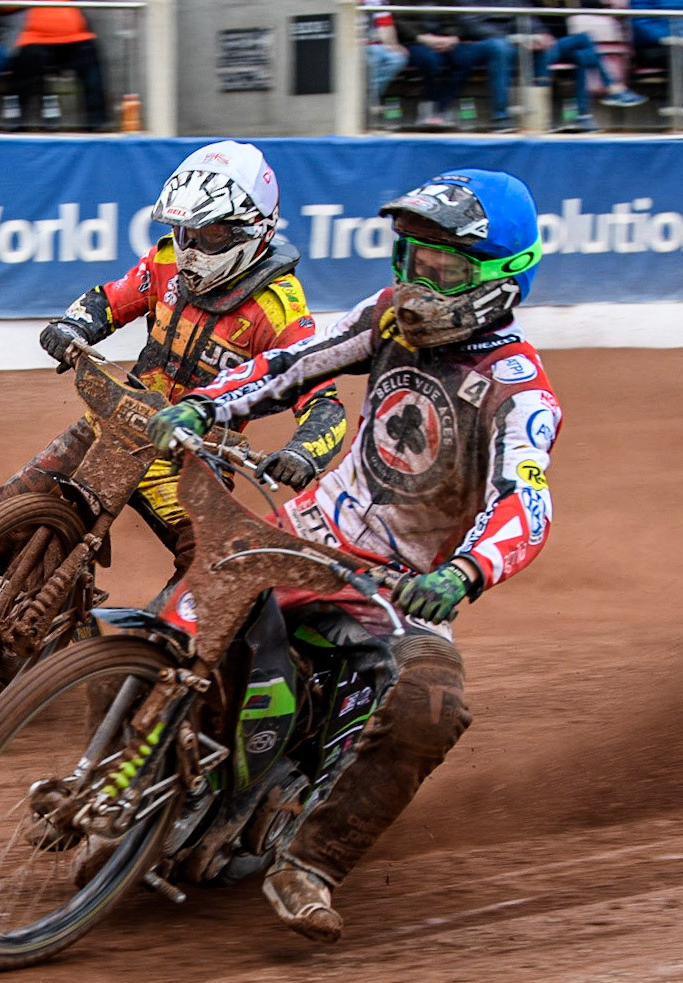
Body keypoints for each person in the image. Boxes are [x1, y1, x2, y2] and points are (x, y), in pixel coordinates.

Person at [144, 168, 557, 943]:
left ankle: (311, 862)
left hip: (401, 586)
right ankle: (129, 781)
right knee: (167, 625)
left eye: (441, 268)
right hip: (305, 531)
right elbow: (291, 363)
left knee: (433, 705)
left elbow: (524, 502)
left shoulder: (517, 391)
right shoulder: (388, 322)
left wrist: (462, 572)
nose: (414, 282)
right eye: (407, 258)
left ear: (502, 279)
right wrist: (206, 403)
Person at [0, 141, 348, 671]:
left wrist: (303, 453)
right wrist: (73, 325)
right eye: (185, 232)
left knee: (209, 566)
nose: (191, 248)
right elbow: (111, 297)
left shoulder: (281, 310)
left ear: (253, 230)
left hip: (188, 461)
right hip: (114, 425)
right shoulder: (166, 262)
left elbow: (324, 403)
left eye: (210, 234)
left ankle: (144, 671)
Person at [393, 0, 516, 131]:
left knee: (463, 59)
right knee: (430, 60)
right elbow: (399, 20)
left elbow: (458, 18)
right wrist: (422, 38)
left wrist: (453, 37)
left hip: (448, 41)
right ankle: (431, 106)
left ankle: (443, 107)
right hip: (414, 42)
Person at [2, 6, 106, 131]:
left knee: (89, 58)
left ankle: (96, 124)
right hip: (35, 38)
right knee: (29, 58)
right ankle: (17, 119)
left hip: (75, 38)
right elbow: (5, 8)